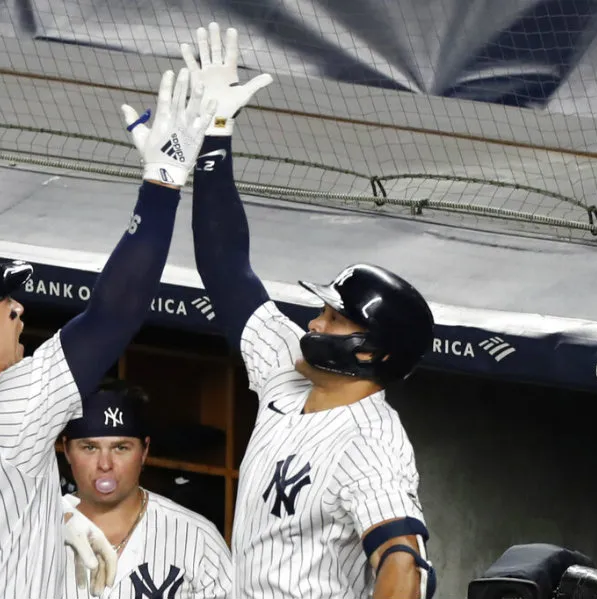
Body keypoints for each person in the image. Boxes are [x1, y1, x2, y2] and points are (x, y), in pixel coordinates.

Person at [0, 68, 218, 599]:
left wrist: (43, 506)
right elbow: (114, 313)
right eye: (7, 305)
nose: (20, 312)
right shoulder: (10, 407)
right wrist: (162, 183)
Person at [182, 22, 438, 599]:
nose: (314, 325)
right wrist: (216, 134)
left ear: (371, 350)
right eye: (321, 310)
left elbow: (402, 563)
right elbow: (226, 270)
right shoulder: (288, 370)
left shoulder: (372, 443)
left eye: (335, 318)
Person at [60, 380, 233, 599]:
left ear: (144, 451)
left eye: (121, 448)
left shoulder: (198, 538)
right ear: (67, 450)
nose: (104, 464)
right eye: (89, 447)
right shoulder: (35, 532)